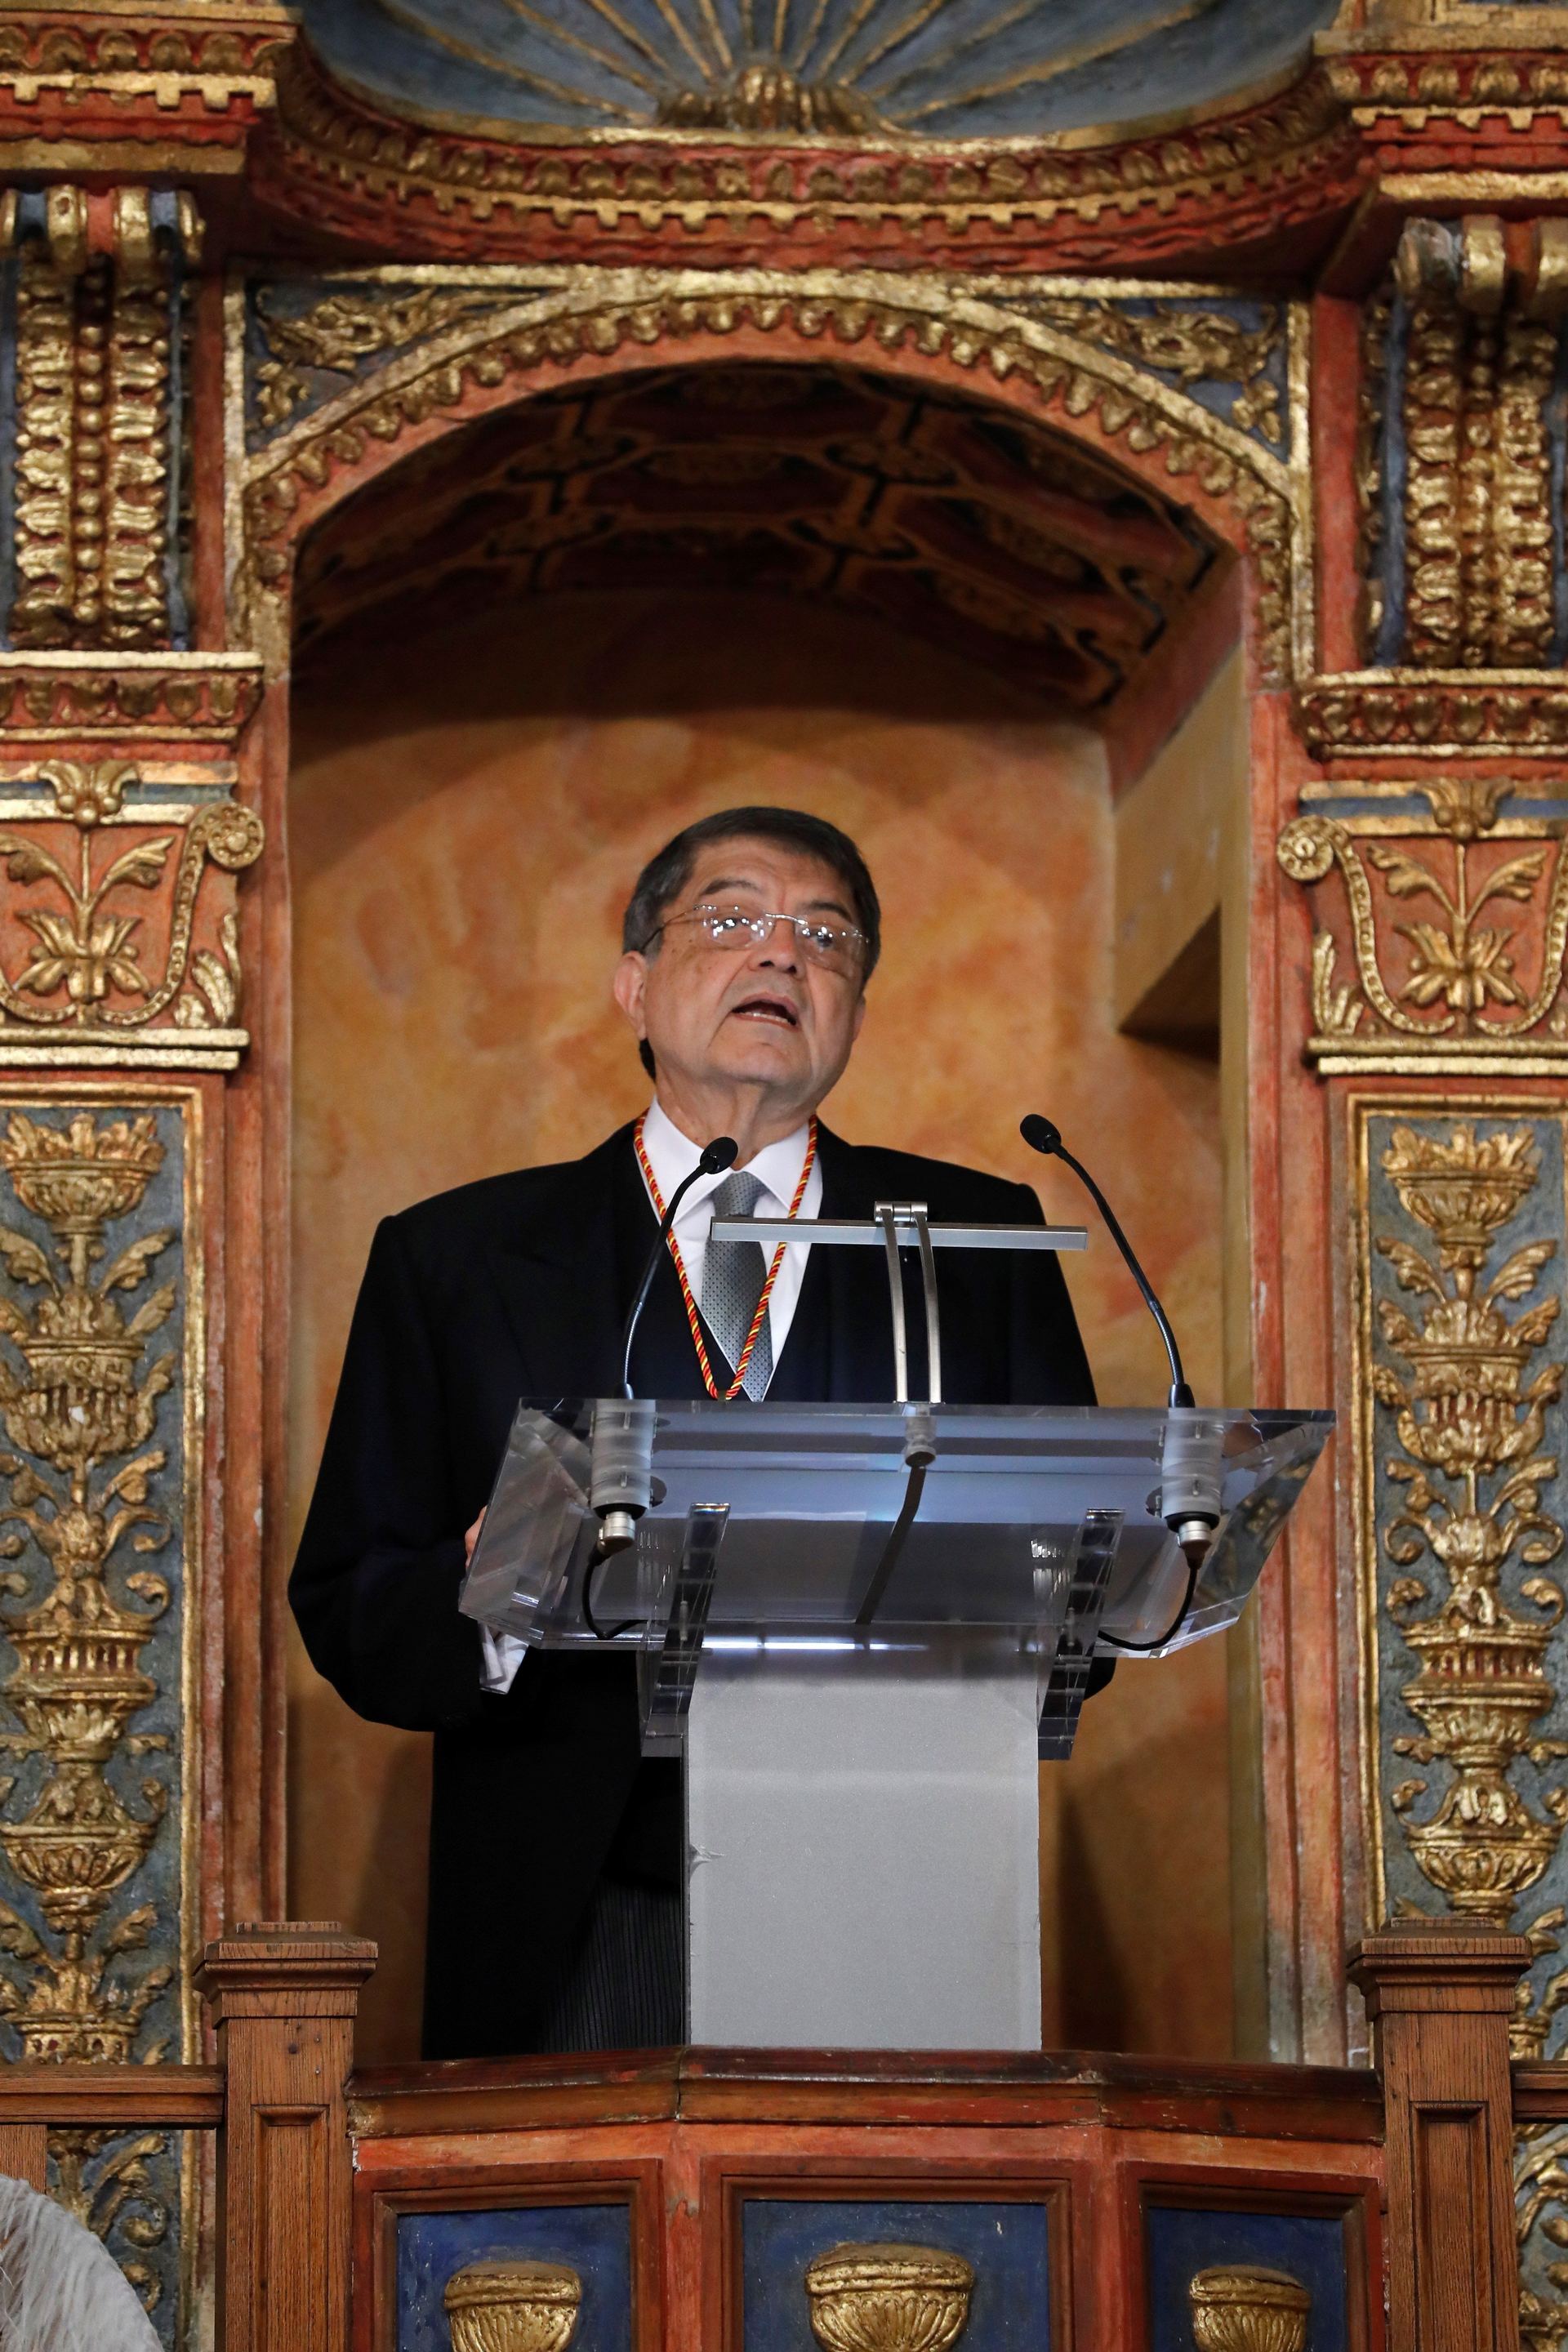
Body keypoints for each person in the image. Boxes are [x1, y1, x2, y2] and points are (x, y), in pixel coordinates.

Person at [291, 806, 1096, 2060]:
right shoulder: (456, 1260)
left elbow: (1081, 1590)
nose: (781, 955)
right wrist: (500, 1584)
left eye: (825, 937)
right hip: (577, 1909)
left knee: (887, 2259)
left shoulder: (976, 1243)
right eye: (730, 921)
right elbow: (352, 1604)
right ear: (635, 986)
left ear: (855, 1012)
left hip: (902, 1897)